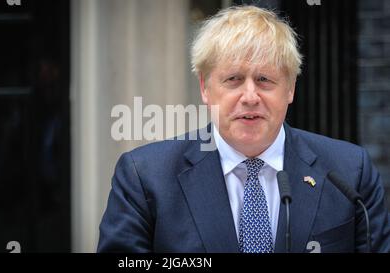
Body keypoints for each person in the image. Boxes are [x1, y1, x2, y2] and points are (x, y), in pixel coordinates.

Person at [97, 5, 390, 253]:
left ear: (290, 88)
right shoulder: (145, 176)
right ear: (205, 88)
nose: (250, 97)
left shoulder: (350, 172)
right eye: (233, 79)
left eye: (264, 80)